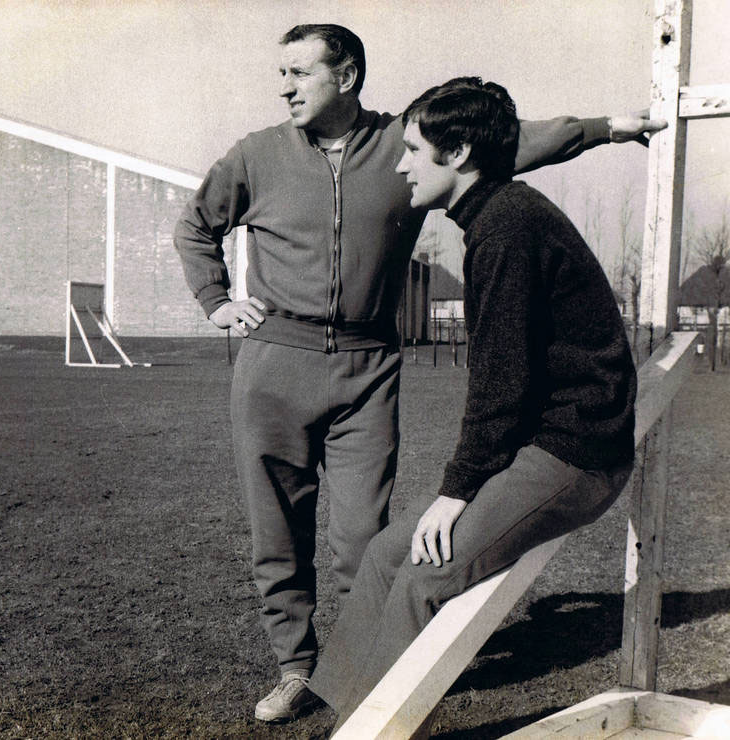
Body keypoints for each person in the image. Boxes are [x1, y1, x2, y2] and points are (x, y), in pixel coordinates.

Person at [173, 24, 663, 723]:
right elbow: (195, 224)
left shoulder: (414, 147)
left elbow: (509, 142)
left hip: (369, 364)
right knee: (277, 532)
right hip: (276, 359)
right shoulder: (255, 155)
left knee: (365, 545)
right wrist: (217, 302)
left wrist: (604, 127)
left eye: (298, 72)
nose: (283, 85)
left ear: (345, 76)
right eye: (279, 73)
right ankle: (301, 673)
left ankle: (371, 683)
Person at [307, 76, 639, 731]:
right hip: (535, 443)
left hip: (578, 452)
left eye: (411, 149)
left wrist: (455, 494)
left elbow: (500, 386)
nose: (400, 163)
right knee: (383, 556)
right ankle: (346, 719)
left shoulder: (508, 227)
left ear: (456, 154)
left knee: (426, 576)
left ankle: (382, 730)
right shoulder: (494, 216)